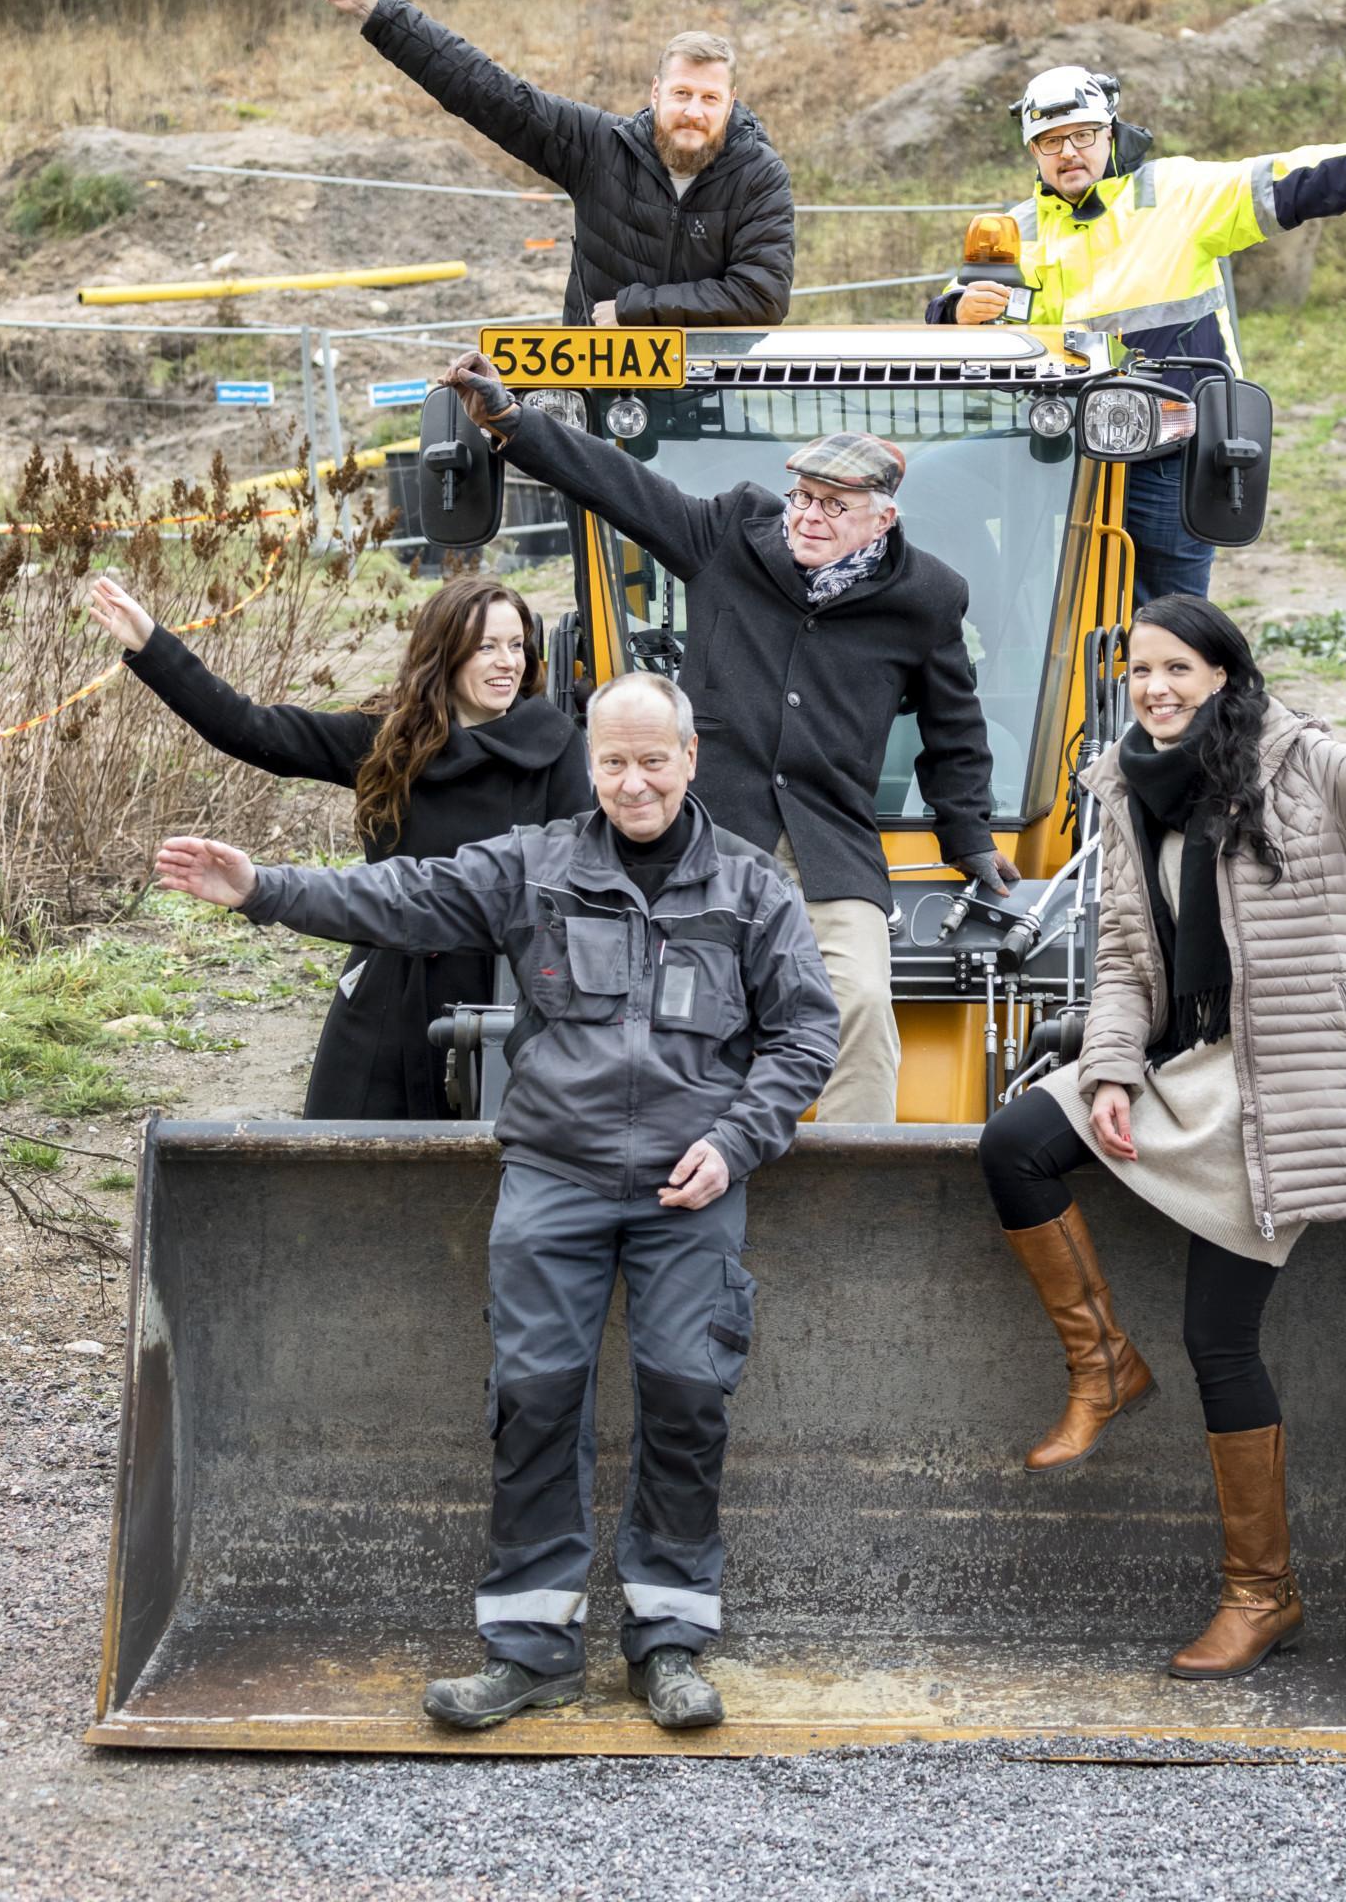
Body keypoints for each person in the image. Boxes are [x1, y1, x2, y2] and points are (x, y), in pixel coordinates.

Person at [154, 669, 840, 1734]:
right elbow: (398, 898)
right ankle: (530, 1651)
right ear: (591, 765)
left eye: (653, 758)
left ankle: (667, 1646)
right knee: (532, 1403)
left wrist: (736, 1138)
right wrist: (262, 887)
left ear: (690, 758)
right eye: (612, 761)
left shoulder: (754, 890)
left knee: (687, 1401)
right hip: (554, 1183)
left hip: (687, 1192)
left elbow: (805, 1034)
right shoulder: (536, 866)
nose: (633, 781)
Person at [977, 573, 1346, 1683]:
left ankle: (1262, 1593)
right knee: (1016, 1143)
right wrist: (1103, 1071)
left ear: (1221, 676)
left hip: (1278, 1089)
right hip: (1185, 1067)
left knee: (1220, 1339)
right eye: (1139, 670)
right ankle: (1101, 1366)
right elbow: (1128, 963)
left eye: (1175, 669)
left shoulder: (1304, 765)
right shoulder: (1123, 787)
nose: (1153, 688)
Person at [442, 350, 1019, 1124]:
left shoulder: (927, 598)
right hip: (711, 838)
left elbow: (954, 728)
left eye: (832, 506)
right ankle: (691, 1171)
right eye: (802, 497)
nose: (807, 517)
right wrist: (512, 421)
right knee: (691, 1013)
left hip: (830, 850)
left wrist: (970, 838)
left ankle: (859, 1194)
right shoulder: (730, 537)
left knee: (857, 1011)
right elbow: (620, 486)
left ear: (882, 518)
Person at [926, 65, 1346, 603]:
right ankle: (1003, 627)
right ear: (1033, 152)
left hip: (1169, 448)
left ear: (1111, 132)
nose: (1069, 151)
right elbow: (946, 315)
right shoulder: (1013, 230)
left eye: (1084, 134)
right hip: (1057, 448)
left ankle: (1172, 699)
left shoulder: (1176, 193)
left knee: (1169, 623)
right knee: (925, 496)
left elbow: (1296, 180)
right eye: (1051, 140)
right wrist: (958, 313)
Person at [90, 570, 589, 1118]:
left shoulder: (555, 747)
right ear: (446, 654)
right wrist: (152, 644)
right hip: (388, 995)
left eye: (516, 645)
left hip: (502, 998)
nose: (507, 662)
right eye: (486, 646)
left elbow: (579, 889)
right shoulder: (391, 738)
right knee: (352, 1171)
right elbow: (252, 729)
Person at [319, 0, 794, 328]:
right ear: (656, 93)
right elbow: (488, 91)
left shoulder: (759, 176)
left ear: (731, 103)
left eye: (710, 98)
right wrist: (376, 11)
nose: (693, 111)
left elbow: (762, 295)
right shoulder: (600, 147)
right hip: (595, 395)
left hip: (711, 394)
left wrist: (635, 310)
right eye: (682, 93)